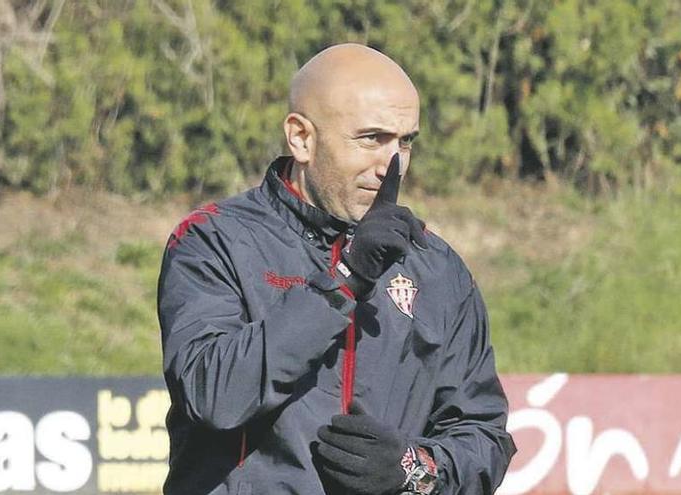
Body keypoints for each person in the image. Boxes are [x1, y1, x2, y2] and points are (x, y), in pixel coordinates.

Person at [157, 43, 516, 495]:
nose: (393, 166)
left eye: (405, 141)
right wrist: (345, 281)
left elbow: (484, 436)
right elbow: (213, 395)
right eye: (371, 138)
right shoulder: (213, 240)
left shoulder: (436, 266)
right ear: (301, 138)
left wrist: (412, 468)